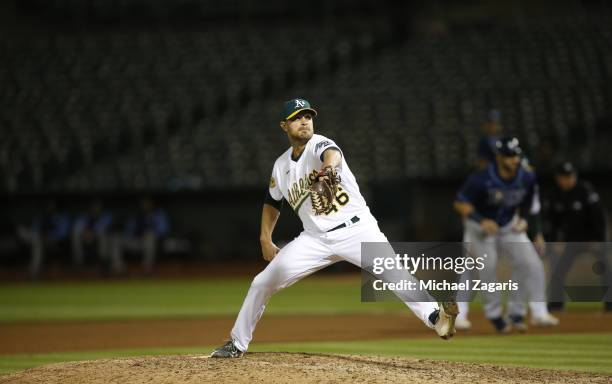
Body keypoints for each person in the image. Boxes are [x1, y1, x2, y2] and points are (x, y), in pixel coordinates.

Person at [210, 98, 458, 358]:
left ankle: (436, 318)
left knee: (394, 273)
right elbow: (272, 202)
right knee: (262, 282)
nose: (304, 121)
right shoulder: (281, 166)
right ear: (284, 125)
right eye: (296, 117)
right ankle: (237, 343)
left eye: (307, 116)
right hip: (314, 239)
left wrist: (328, 168)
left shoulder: (320, 144)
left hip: (357, 229)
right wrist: (265, 237)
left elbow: (332, 154)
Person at [453, 137, 559, 333]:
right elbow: (460, 203)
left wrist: (526, 220)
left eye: (516, 156)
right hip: (480, 227)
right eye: (509, 156)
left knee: (530, 263)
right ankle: (494, 315)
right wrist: (480, 220)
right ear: (499, 157)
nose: (514, 160)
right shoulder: (482, 177)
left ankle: (519, 312)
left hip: (508, 225)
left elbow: (529, 203)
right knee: (486, 267)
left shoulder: (527, 177)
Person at [544, 161, 611, 312]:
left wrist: (599, 240)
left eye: (570, 176)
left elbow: (599, 217)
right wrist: (555, 242)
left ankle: (610, 305)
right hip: (570, 240)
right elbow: (551, 222)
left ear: (575, 176)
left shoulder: (585, 190)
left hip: (591, 238)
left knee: (605, 269)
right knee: (558, 269)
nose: (567, 180)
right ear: (558, 178)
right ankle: (556, 305)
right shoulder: (554, 195)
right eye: (564, 176)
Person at [111, 197, 169, 274]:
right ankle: (118, 267)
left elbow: (163, 230)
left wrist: (151, 231)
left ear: (152, 204)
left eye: (147, 203)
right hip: (136, 241)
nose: (145, 205)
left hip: (152, 242)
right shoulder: (137, 215)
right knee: (116, 238)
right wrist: (134, 233)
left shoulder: (158, 214)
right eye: (143, 204)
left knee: (149, 235)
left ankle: (147, 268)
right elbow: (128, 231)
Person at [17, 200, 71, 279]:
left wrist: (50, 236)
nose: (50, 208)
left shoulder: (61, 217)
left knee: (37, 244)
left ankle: (33, 273)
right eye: (48, 206)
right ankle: (33, 273)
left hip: (54, 241)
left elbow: (63, 233)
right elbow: (35, 229)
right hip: (38, 239)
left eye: (52, 206)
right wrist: (41, 235)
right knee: (28, 235)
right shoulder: (42, 217)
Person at [71, 200, 114, 270]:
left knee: (104, 235)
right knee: (76, 233)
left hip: (100, 240)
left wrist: (93, 233)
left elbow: (105, 227)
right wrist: (85, 233)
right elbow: (78, 225)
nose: (95, 209)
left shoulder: (106, 217)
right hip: (85, 239)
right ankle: (78, 260)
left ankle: (103, 261)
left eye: (97, 207)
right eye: (94, 207)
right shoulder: (84, 217)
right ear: (90, 208)